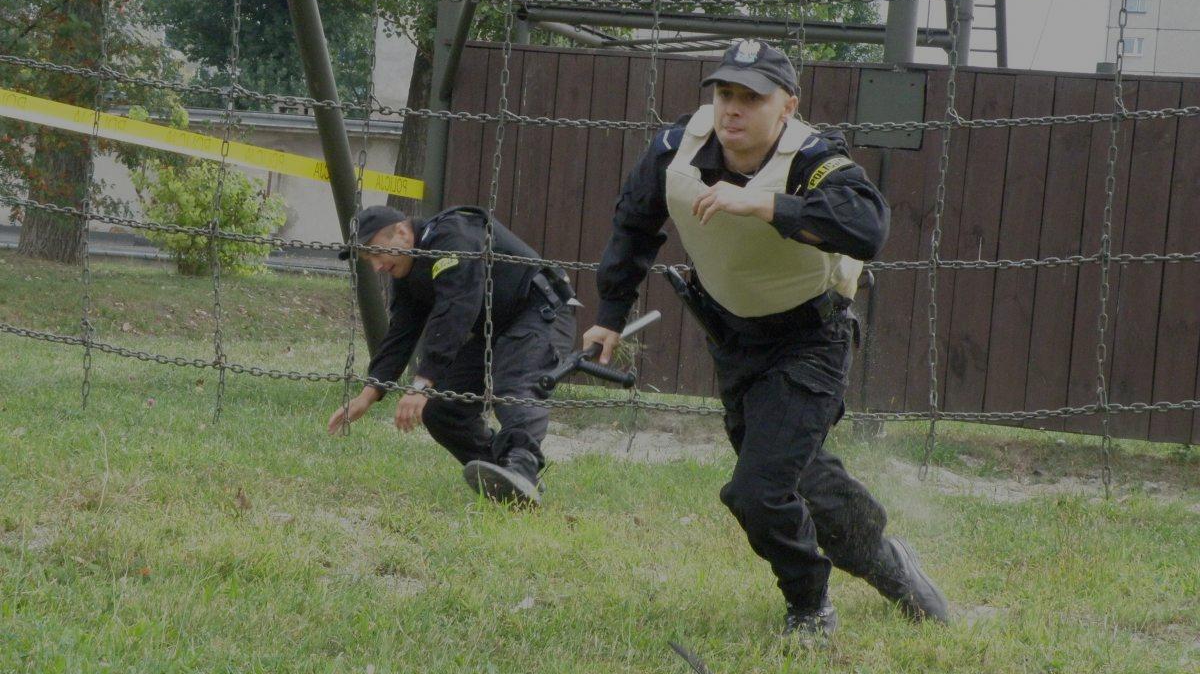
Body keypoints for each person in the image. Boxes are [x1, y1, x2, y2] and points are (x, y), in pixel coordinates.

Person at [582, 39, 949, 638]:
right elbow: (633, 223)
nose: (733, 109)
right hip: (733, 338)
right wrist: (610, 313)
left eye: (752, 97)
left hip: (810, 342)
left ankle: (810, 605)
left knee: (757, 492)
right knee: (799, 476)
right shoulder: (678, 147)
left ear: (787, 106)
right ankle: (887, 563)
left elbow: (867, 226)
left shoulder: (815, 158)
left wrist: (763, 204)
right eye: (725, 93)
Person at [328, 204, 576, 506]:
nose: (377, 267)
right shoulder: (408, 270)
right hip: (493, 327)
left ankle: (523, 468)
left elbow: (457, 306)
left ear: (403, 232)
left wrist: (422, 383)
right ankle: (505, 477)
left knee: (515, 389)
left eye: (376, 253)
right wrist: (368, 394)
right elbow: (402, 331)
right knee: (441, 410)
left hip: (538, 311)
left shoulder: (452, 236)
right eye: (369, 260)